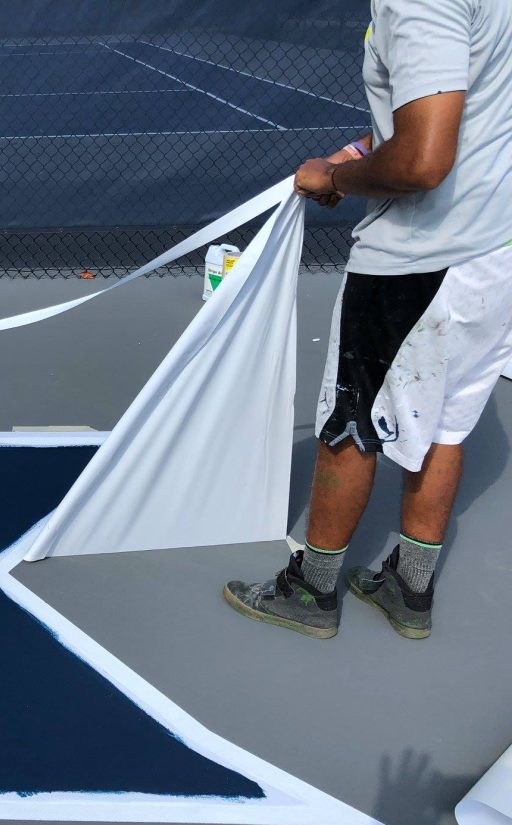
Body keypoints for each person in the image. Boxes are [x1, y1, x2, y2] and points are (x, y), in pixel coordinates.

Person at [224, 0, 512, 639]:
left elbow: (422, 161)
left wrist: (338, 176)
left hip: (419, 260)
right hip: (495, 252)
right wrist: (358, 151)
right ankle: (410, 588)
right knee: (445, 424)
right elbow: (461, 109)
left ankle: (312, 590)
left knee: (351, 420)